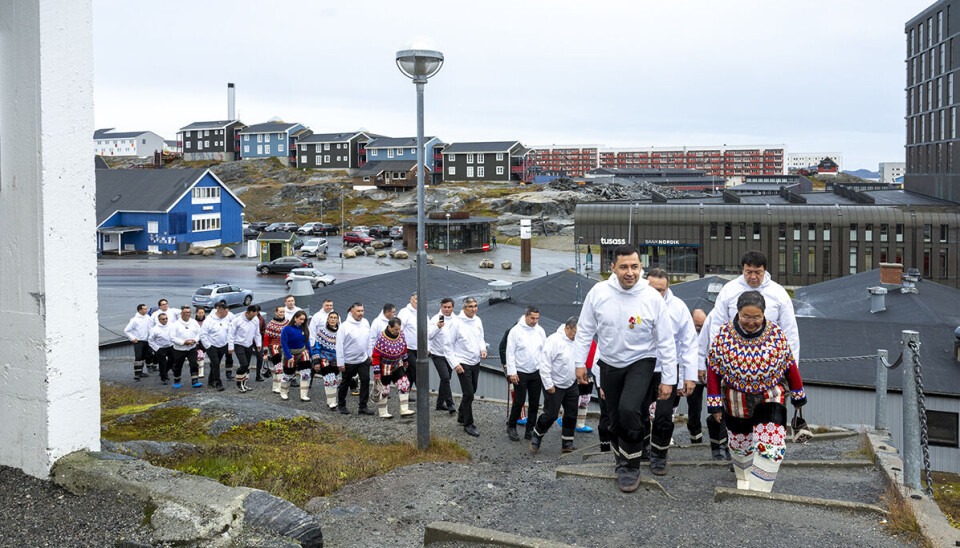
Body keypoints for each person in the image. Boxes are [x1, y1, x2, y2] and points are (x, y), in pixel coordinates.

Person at [574, 244, 676, 493]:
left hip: (642, 361)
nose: (630, 272)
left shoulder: (651, 297)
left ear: (641, 267)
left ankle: (631, 465)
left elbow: (665, 339)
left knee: (629, 409)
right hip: (610, 363)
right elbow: (585, 329)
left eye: (634, 266)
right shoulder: (598, 293)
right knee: (615, 417)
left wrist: (669, 379)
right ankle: (622, 457)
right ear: (613, 268)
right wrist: (580, 364)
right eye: (624, 267)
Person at [707, 291, 806, 492]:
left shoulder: (776, 334)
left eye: (756, 317)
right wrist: (714, 404)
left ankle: (761, 488)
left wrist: (798, 395)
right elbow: (714, 370)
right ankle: (743, 479)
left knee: (772, 441)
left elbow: (789, 365)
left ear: (763, 314)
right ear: (737, 313)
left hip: (771, 394)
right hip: (736, 397)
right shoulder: (724, 335)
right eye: (746, 317)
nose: (751, 322)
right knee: (740, 443)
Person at [642, 268, 699, 476]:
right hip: (641, 367)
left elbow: (689, 344)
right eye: (653, 289)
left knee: (664, 416)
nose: (657, 294)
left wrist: (689, 376)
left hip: (667, 368)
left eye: (661, 290)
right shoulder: (637, 302)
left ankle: (659, 456)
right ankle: (642, 448)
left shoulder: (678, 308)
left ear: (668, 288)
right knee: (637, 412)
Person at [700, 250, 799, 367]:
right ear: (743, 270)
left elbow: (789, 331)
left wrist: (792, 367)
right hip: (733, 359)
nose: (753, 277)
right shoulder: (729, 290)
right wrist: (717, 362)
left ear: (765, 271)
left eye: (758, 272)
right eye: (749, 272)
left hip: (769, 361)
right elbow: (717, 327)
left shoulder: (778, 293)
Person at [530, 317, 581, 454]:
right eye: (575, 332)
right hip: (554, 384)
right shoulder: (553, 341)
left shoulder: (577, 341)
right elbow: (544, 364)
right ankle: (537, 435)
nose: (577, 336)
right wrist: (548, 384)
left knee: (571, 413)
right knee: (551, 415)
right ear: (567, 328)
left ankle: (567, 443)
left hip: (571, 383)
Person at [445, 297, 487, 437]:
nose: (474, 309)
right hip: (463, 363)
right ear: (464, 308)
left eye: (475, 306)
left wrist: (482, 349)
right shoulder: (456, 323)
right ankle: (468, 424)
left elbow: (481, 338)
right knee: (469, 394)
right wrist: (455, 364)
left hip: (475, 361)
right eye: (470, 306)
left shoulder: (478, 320)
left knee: (472, 390)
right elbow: (448, 346)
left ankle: (461, 415)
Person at [505, 306, 546, 442]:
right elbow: (510, 352)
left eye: (537, 318)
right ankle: (511, 426)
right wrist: (512, 372)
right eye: (532, 318)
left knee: (534, 403)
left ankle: (530, 429)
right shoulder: (515, 331)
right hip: (520, 372)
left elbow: (544, 351)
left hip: (536, 372)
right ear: (526, 316)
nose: (535, 321)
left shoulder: (540, 331)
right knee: (519, 401)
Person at [371, 317, 415, 419]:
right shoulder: (381, 338)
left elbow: (404, 347)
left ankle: (404, 409)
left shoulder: (401, 334)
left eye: (398, 329)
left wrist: (405, 361)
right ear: (389, 327)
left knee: (404, 383)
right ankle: (383, 412)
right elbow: (376, 356)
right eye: (395, 329)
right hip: (384, 367)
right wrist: (376, 373)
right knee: (384, 389)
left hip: (397, 364)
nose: (397, 331)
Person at [336, 302, 373, 415]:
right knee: (345, 383)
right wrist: (340, 362)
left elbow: (369, 340)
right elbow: (339, 345)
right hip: (348, 361)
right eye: (358, 311)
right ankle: (341, 405)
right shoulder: (344, 326)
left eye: (362, 311)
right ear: (351, 312)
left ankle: (363, 406)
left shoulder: (366, 322)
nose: (360, 313)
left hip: (362, 359)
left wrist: (370, 354)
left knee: (365, 381)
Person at [427, 298, 457, 414]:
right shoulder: (435, 319)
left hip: (450, 354)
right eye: (445, 307)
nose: (447, 309)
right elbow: (429, 335)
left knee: (446, 379)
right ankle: (450, 404)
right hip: (438, 354)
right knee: (445, 377)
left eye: (449, 307)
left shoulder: (456, 319)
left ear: (453, 308)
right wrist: (437, 327)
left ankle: (439, 404)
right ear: (441, 307)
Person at [199, 303, 234, 392]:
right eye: (226, 313)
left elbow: (229, 332)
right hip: (212, 346)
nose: (228, 315)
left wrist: (229, 345)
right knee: (215, 363)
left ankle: (210, 381)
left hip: (222, 345)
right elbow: (203, 334)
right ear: (221, 312)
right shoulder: (209, 320)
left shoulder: (226, 319)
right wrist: (208, 346)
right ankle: (218, 383)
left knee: (215, 364)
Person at [279, 310, 312, 401]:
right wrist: (289, 356)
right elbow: (284, 344)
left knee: (306, 374)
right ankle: (284, 392)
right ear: (295, 318)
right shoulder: (286, 329)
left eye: (304, 320)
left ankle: (303, 395)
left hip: (303, 353)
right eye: (300, 319)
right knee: (288, 375)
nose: (302, 321)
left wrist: (311, 354)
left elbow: (307, 342)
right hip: (290, 354)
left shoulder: (304, 328)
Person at [312, 311, 340, 410]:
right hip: (325, 360)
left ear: (338, 320)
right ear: (328, 320)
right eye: (331, 317)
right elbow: (316, 348)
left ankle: (332, 401)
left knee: (335, 381)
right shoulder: (321, 332)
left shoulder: (341, 332)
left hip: (337, 361)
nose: (333, 319)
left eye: (335, 318)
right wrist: (316, 362)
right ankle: (331, 402)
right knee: (330, 380)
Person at [169, 306, 203, 389]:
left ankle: (195, 381)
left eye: (189, 312)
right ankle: (177, 381)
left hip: (192, 348)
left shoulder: (194, 322)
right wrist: (183, 342)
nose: (188, 314)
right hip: (179, 349)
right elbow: (172, 337)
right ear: (181, 313)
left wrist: (194, 340)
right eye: (186, 312)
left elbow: (200, 333)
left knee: (194, 364)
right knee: (178, 365)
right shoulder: (175, 324)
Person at [231, 305, 262, 393]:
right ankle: (238, 383)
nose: (252, 318)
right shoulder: (237, 320)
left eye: (254, 316)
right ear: (247, 313)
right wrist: (231, 347)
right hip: (238, 344)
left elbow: (257, 333)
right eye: (251, 316)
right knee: (243, 364)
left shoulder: (255, 319)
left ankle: (244, 384)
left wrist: (258, 343)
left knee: (247, 365)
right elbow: (231, 334)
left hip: (249, 344)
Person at [395, 294, 419, 398]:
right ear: (411, 300)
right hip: (408, 349)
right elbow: (399, 331)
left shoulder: (422, 313)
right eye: (416, 299)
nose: (418, 301)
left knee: (410, 372)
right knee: (418, 371)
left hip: (420, 349)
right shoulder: (404, 312)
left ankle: (405, 394)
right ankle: (423, 394)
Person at [123, 304, 153, 381]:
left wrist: (151, 338)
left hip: (146, 341)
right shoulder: (134, 320)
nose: (146, 310)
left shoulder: (148, 318)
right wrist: (133, 338)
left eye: (146, 309)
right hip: (138, 341)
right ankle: (137, 374)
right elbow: (126, 330)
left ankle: (141, 372)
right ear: (140, 310)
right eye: (144, 309)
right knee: (138, 356)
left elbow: (150, 329)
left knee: (143, 357)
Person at [263, 306, 288, 394]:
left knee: (283, 366)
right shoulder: (271, 324)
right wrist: (265, 353)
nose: (282, 313)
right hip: (274, 347)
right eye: (280, 312)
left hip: (285, 346)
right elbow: (266, 340)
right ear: (276, 313)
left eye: (283, 312)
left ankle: (278, 386)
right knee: (278, 366)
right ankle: (277, 386)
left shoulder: (287, 323)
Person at [147, 312, 174, 385]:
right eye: (163, 319)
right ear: (159, 320)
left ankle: (165, 372)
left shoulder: (171, 325)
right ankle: (164, 378)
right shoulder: (155, 329)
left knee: (172, 360)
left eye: (166, 319)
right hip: (160, 348)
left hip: (170, 346)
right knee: (162, 363)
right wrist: (157, 348)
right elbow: (150, 340)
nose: (165, 320)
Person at [194, 306, 208, 379]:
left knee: (202, 356)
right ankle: (200, 372)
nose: (201, 314)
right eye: (199, 313)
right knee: (199, 355)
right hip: (197, 341)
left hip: (205, 340)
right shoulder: (193, 321)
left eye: (202, 313)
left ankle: (200, 371)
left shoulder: (207, 320)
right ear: (196, 313)